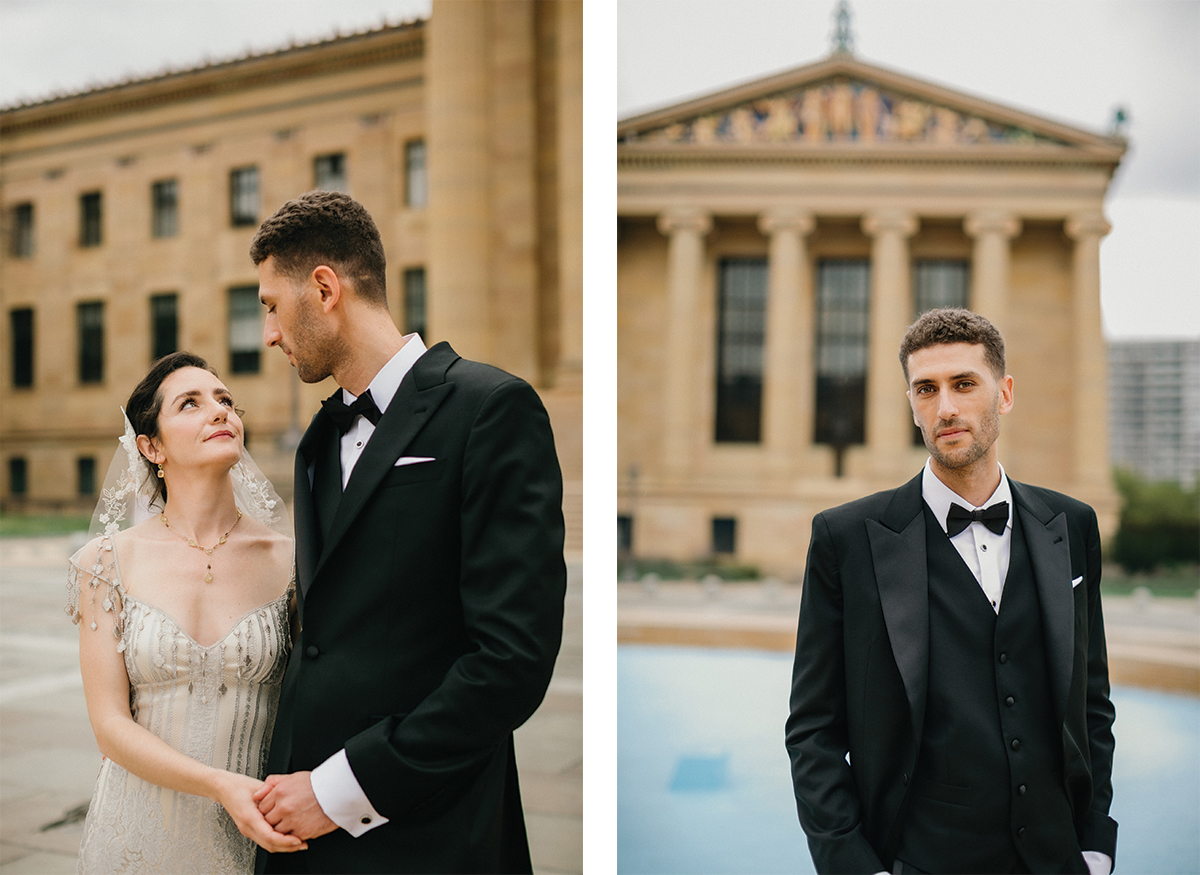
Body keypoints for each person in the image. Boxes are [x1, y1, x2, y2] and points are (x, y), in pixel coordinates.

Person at [248, 190, 566, 874]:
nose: (268, 332)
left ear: (325, 288)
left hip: (431, 835)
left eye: (272, 305)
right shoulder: (316, 439)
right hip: (298, 837)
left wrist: (337, 792)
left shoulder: (490, 410)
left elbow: (510, 662)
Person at [785, 308, 1117, 875]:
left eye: (964, 384)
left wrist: (1095, 846)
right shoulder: (844, 538)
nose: (946, 407)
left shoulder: (1072, 524)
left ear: (1004, 393)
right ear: (911, 404)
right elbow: (813, 728)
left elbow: (1090, 702)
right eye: (926, 389)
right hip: (918, 858)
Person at [69, 351, 305, 873]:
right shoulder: (104, 563)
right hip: (135, 835)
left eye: (225, 400)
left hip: (255, 834)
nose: (219, 412)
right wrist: (220, 786)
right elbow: (109, 724)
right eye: (191, 404)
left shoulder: (290, 562)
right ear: (151, 447)